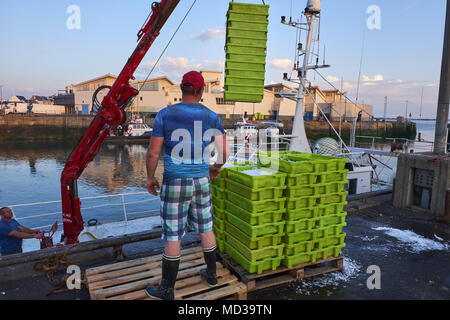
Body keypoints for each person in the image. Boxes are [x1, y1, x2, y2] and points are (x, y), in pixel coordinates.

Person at [145, 71, 229, 300]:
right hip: (201, 181)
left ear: (182, 89)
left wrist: (150, 178)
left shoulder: (165, 115)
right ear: (201, 92)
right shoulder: (212, 117)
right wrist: (215, 168)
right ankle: (211, 276)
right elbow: (224, 152)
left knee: (173, 234)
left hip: (175, 181)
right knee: (206, 227)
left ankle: (166, 290)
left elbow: (153, 152)